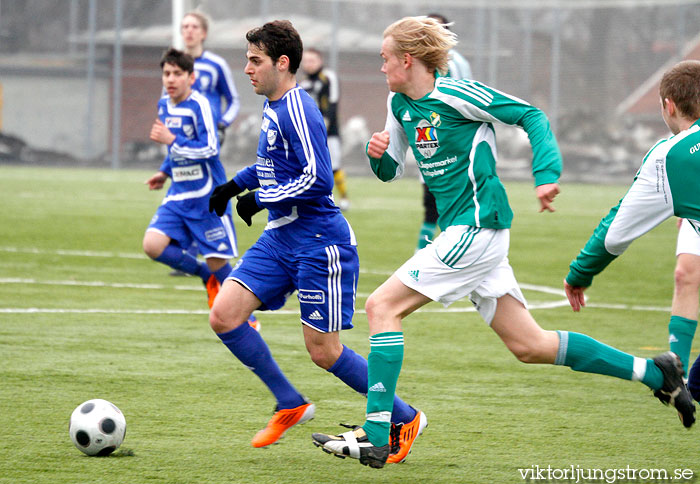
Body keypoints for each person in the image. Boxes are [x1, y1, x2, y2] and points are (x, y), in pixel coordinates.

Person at [310, 17, 695, 469]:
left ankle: (378, 433)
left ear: (407, 59)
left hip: (477, 227)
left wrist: (546, 175)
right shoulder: (398, 105)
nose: (381, 67)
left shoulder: (458, 94)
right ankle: (655, 372)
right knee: (529, 345)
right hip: (468, 233)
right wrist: (376, 156)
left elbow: (530, 115)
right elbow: (391, 169)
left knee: (381, 307)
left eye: (384, 58)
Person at [206, 20, 425, 461]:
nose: (246, 69)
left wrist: (261, 198)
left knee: (324, 352)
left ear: (281, 63)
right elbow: (272, 163)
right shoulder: (273, 106)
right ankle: (290, 402)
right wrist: (234, 185)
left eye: (255, 61)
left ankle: (404, 417)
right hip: (280, 240)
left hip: (319, 242)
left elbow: (318, 178)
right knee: (225, 315)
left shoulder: (299, 107)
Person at [143, 48, 236, 309]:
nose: (171, 79)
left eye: (177, 74)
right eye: (166, 74)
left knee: (217, 261)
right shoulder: (164, 105)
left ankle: (243, 314)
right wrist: (164, 171)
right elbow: (174, 150)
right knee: (152, 245)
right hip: (179, 194)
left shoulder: (201, 105)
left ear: (191, 78)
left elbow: (210, 148)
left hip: (206, 195)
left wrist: (172, 139)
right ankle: (204, 275)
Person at [167, 11, 242, 279]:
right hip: (180, 137)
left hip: (208, 136)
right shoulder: (173, 64)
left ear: (204, 33)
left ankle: (214, 243)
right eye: (184, 26)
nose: (188, 31)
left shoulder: (215, 64)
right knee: (184, 183)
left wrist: (223, 122)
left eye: (194, 26)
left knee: (207, 185)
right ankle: (190, 249)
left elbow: (233, 99)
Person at [414, 13, 473, 252]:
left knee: (453, 203)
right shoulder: (415, 62)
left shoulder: (455, 62)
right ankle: (424, 252)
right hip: (426, 141)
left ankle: (458, 251)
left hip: (451, 144)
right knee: (430, 204)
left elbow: (466, 102)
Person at [300, 48, 350, 211]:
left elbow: (333, 103)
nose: (309, 64)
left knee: (334, 165)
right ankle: (316, 200)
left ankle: (344, 198)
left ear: (320, 61)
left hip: (329, 132)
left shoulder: (329, 77)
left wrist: (325, 124)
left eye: (312, 60)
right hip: (309, 133)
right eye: (306, 61)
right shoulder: (303, 84)